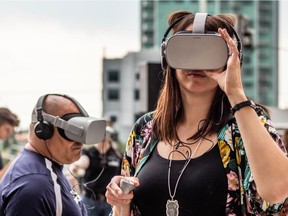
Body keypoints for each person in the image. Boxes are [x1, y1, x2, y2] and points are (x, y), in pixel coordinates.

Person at [105, 11, 288, 216]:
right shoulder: (145, 128)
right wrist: (120, 200)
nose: (197, 62)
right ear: (168, 57)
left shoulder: (246, 123)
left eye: (210, 51)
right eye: (187, 49)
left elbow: (278, 192)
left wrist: (236, 93)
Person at [0, 93, 105, 216]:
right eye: (70, 132)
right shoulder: (33, 187)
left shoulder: (49, 168)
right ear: (44, 131)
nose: (80, 142)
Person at [70, 125, 122, 216]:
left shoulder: (116, 154)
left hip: (110, 201)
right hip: (90, 200)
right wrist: (76, 166)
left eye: (106, 135)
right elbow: (83, 161)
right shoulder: (89, 152)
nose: (103, 138)